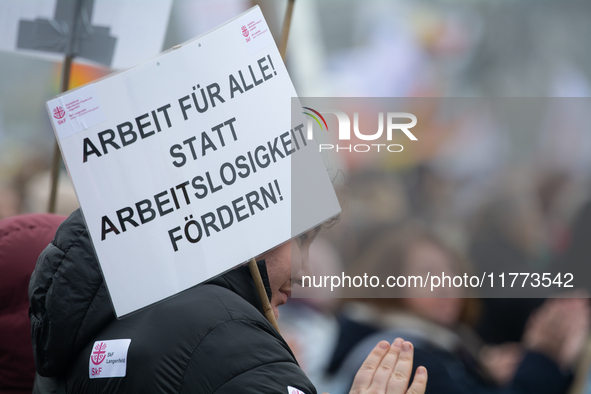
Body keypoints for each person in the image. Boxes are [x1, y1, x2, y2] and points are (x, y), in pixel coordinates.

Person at [29, 208, 427, 394]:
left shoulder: (122, 308)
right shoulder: (226, 337)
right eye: (302, 239)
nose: (304, 269)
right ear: (252, 222)